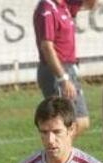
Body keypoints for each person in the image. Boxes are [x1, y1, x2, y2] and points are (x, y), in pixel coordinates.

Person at [33, 0, 97, 137]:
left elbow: (91, 5)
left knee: (80, 121)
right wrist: (63, 78)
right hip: (56, 71)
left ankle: (57, 152)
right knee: (61, 123)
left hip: (68, 69)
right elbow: (46, 46)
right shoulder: (47, 7)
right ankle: (53, 154)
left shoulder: (63, 5)